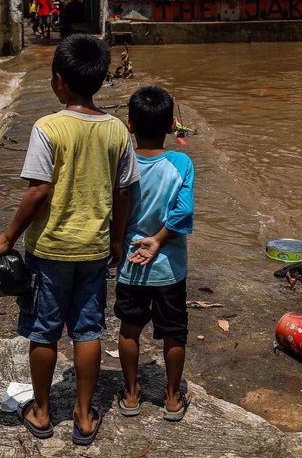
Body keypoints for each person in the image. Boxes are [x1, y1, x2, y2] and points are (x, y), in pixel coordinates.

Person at [0, 34, 138, 446]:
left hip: (50, 249)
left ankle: (40, 410)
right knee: (88, 330)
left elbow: (39, 191)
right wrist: (117, 239)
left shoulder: (48, 128)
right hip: (93, 248)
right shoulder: (116, 131)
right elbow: (124, 191)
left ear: (59, 82)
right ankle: (85, 415)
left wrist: (7, 237)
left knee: (44, 331)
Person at [114, 85, 194, 421]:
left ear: (129, 124)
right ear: (170, 125)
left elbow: (117, 206)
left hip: (131, 263)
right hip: (169, 268)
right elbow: (183, 211)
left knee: (130, 329)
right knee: (174, 332)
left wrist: (117, 243)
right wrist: (159, 240)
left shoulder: (122, 160)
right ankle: (173, 398)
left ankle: (132, 394)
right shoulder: (181, 162)